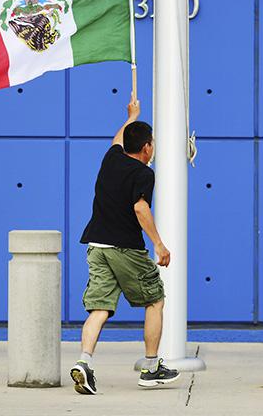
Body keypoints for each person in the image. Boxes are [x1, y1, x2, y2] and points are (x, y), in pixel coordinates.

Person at [69, 96, 180, 395]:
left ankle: (84, 362)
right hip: (125, 249)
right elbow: (141, 208)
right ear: (147, 147)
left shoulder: (111, 158)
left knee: (100, 308)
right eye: (152, 143)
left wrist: (132, 116)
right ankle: (151, 367)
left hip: (96, 245)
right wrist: (159, 245)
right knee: (155, 299)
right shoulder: (144, 173)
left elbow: (117, 139)